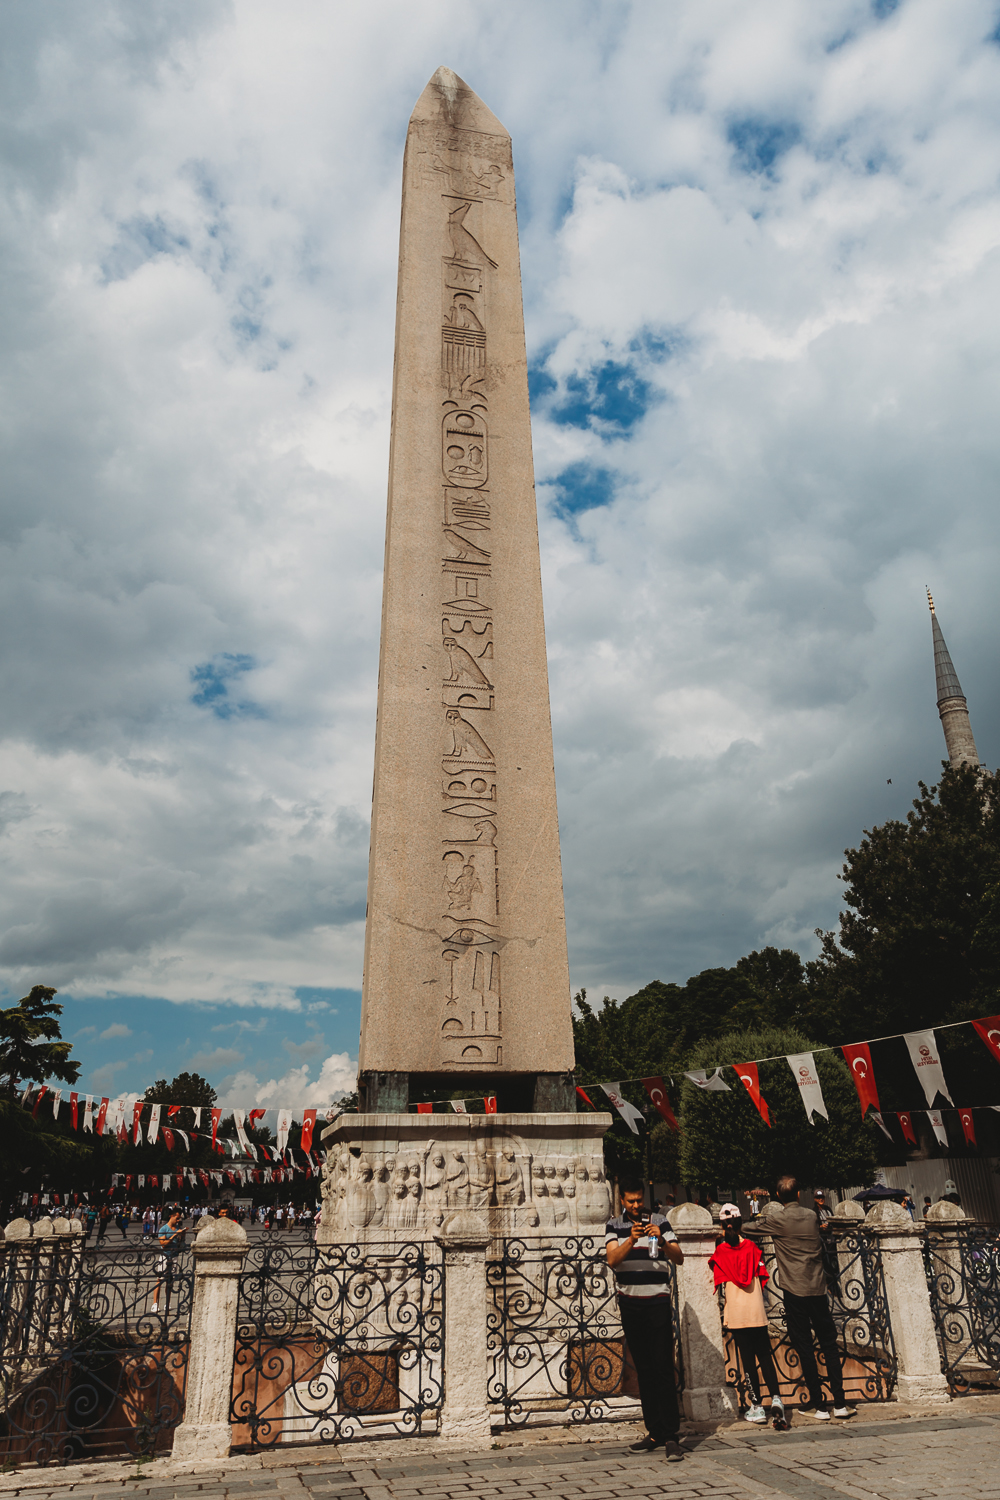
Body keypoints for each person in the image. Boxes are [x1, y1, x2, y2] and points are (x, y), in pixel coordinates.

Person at [759, 1176, 855, 1421]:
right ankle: (841, 1403)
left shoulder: (777, 1219)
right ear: (800, 1194)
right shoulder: (812, 1216)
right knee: (829, 1345)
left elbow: (752, 1229)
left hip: (794, 1292)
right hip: (818, 1289)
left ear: (778, 1197)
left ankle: (819, 1405)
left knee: (804, 1347)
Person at [606, 1178, 686, 1461]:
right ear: (623, 1201)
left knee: (663, 1367)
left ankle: (671, 1435)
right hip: (631, 1305)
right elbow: (613, 1261)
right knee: (644, 1370)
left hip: (657, 1303)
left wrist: (662, 1240)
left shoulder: (661, 1221)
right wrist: (632, 1239)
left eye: (639, 1200)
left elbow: (679, 1258)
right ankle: (654, 1431)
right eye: (631, 1201)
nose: (636, 1206)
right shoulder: (614, 1225)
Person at [710, 1205, 784, 1425]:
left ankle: (757, 1406)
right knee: (765, 1356)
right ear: (742, 1223)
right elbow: (762, 1275)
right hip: (756, 1310)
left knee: (748, 1360)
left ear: (723, 1225)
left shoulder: (721, 1252)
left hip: (736, 1312)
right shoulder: (752, 1247)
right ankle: (777, 1398)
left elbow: (716, 1277)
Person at [152, 1209, 187, 1313]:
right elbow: (163, 1244)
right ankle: (155, 1303)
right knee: (160, 1279)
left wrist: (182, 1234)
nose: (178, 1220)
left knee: (170, 1281)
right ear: (171, 1216)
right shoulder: (164, 1229)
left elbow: (180, 1242)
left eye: (179, 1218)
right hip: (165, 1256)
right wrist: (174, 1235)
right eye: (177, 1218)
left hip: (174, 1256)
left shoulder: (177, 1228)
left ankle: (167, 1303)